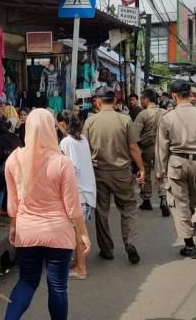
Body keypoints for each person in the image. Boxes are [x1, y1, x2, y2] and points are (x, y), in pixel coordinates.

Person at [5, 109, 90, 320]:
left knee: (26, 281)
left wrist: (14, 227)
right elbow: (72, 206)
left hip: (27, 232)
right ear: (51, 129)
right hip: (58, 233)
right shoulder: (61, 162)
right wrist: (82, 233)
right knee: (58, 287)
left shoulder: (13, 159)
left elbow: (13, 204)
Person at [156, 80, 196, 260]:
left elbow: (162, 148)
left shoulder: (167, 118)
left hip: (176, 164)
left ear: (174, 96)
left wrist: (160, 173)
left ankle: (190, 246)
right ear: (190, 94)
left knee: (180, 205)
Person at [83, 86, 144, 264]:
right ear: (115, 101)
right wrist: (142, 169)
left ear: (98, 102)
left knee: (102, 211)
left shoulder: (90, 122)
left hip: (98, 172)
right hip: (122, 172)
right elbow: (133, 148)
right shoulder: (125, 120)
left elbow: (84, 149)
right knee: (128, 207)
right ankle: (130, 242)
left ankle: (107, 249)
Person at [58, 110, 96, 279]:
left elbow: (70, 169)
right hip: (87, 192)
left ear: (63, 124)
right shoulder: (82, 140)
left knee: (78, 232)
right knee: (77, 231)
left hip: (78, 193)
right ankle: (77, 263)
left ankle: (81, 268)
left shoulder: (66, 142)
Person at [133, 89, 169, 216]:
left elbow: (134, 135)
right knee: (162, 173)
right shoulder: (166, 113)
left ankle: (146, 200)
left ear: (146, 100)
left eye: (142, 99)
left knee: (145, 173)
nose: (141, 101)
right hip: (163, 149)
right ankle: (164, 198)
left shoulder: (142, 115)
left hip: (146, 149)